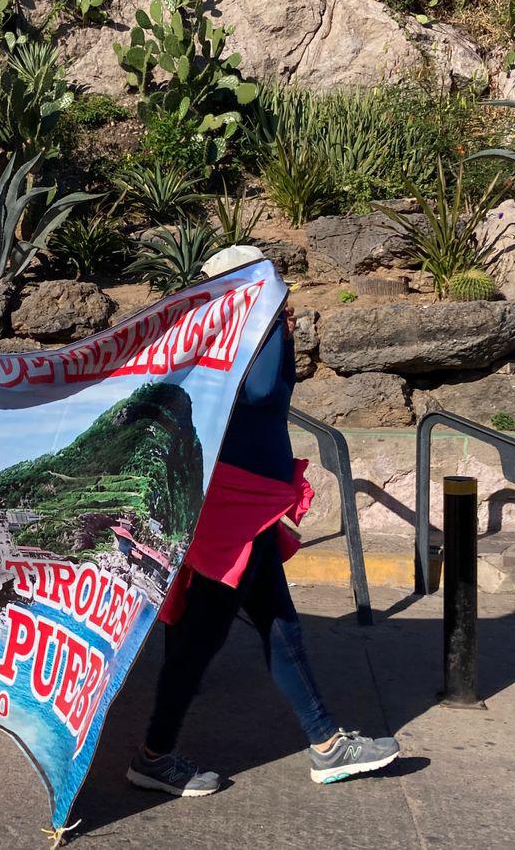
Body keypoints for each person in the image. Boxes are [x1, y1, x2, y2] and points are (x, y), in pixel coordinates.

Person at [126, 246, 401, 796]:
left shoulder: (218, 337)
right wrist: (276, 330)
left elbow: (261, 397)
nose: (282, 293)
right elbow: (260, 394)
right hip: (235, 506)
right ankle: (156, 755)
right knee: (204, 636)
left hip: (240, 502)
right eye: (272, 283)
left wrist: (278, 334)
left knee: (269, 622)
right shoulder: (245, 333)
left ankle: (325, 743)